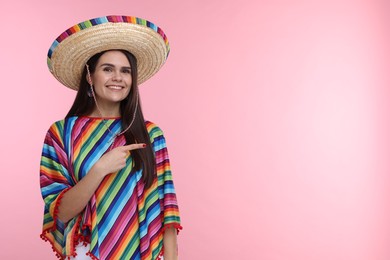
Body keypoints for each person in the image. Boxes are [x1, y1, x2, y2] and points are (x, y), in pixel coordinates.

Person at [39, 15, 182, 260]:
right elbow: (61, 212)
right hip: (86, 254)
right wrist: (99, 170)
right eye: (108, 69)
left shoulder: (151, 134)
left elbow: (166, 207)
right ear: (89, 76)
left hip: (141, 252)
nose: (118, 77)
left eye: (125, 71)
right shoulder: (62, 133)